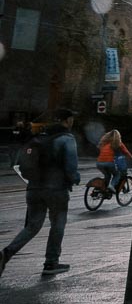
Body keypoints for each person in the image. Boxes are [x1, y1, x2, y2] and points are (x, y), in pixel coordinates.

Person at [1, 108, 81, 278]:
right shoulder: (67, 138)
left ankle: (6, 254)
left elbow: (21, 162)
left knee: (32, 226)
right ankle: (51, 262)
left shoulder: (39, 137)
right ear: (67, 121)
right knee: (57, 224)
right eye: (71, 119)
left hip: (33, 188)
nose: (72, 122)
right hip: (56, 190)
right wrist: (75, 178)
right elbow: (71, 167)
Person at [96, 129, 132, 197]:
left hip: (99, 163)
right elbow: (126, 152)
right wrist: (131, 157)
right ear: (118, 136)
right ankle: (111, 186)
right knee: (117, 175)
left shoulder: (104, 143)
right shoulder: (118, 143)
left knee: (107, 176)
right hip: (108, 163)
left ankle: (103, 190)